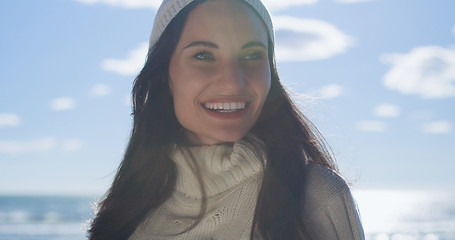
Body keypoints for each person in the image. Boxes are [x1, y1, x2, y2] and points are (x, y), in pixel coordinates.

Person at [88, 0, 365, 239]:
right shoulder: (123, 216)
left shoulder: (318, 197)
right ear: (164, 76)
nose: (233, 82)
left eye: (252, 55)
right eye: (203, 55)